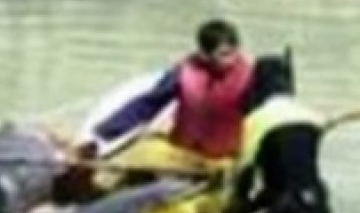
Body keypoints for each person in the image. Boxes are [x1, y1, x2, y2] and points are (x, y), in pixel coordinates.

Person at [71, 19, 255, 170]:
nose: (230, 60)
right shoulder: (184, 73)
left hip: (226, 156)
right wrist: (102, 134)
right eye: (223, 55)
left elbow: (263, 116)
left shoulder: (251, 76)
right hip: (183, 153)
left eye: (233, 52)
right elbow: (146, 105)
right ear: (204, 54)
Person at [224, 53, 334, 213]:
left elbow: (245, 179)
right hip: (320, 212)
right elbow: (294, 172)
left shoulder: (257, 120)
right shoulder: (312, 117)